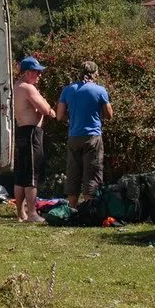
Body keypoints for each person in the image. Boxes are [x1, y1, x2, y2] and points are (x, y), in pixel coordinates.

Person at [56, 60, 113, 208]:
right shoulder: (100, 90)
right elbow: (109, 114)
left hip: (74, 136)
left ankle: (72, 209)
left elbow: (59, 115)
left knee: (73, 173)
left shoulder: (68, 90)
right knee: (92, 173)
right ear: (95, 73)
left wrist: (73, 117)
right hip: (92, 136)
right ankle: (89, 209)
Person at [12, 56, 56, 223]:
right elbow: (45, 109)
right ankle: (32, 213)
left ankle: (20, 212)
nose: (39, 76)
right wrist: (49, 109)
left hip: (21, 131)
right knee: (31, 174)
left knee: (21, 175)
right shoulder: (28, 88)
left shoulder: (17, 86)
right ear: (28, 72)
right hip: (31, 133)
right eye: (37, 72)